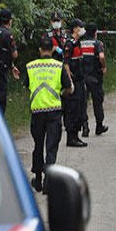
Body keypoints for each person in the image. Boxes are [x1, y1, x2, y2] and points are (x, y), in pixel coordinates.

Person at [24, 37, 72, 193]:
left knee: (38, 146)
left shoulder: (31, 67)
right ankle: (48, 183)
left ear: (39, 50)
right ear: (52, 50)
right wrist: (61, 94)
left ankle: (37, 180)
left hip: (37, 112)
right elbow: (69, 88)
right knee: (51, 147)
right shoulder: (58, 67)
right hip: (54, 112)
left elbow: (27, 87)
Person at [63, 18, 88, 148]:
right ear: (75, 29)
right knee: (72, 109)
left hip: (80, 79)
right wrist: (69, 81)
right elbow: (66, 63)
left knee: (79, 108)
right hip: (73, 82)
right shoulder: (69, 44)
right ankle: (71, 137)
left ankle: (76, 136)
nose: (82, 30)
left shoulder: (78, 43)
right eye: (80, 27)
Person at [80, 23, 109, 137]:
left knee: (83, 103)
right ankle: (99, 126)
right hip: (95, 77)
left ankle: (85, 127)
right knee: (98, 102)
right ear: (95, 32)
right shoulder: (98, 43)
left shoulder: (80, 43)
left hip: (83, 77)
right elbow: (101, 56)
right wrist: (104, 67)